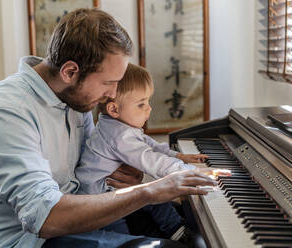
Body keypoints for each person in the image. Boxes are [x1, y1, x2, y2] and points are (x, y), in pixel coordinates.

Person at [0, 8, 226, 248]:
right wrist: (146, 191)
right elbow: (45, 217)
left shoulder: (73, 99)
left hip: (66, 226)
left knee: (188, 227)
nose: (112, 94)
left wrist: (128, 179)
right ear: (70, 72)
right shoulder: (6, 111)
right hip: (19, 240)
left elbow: (91, 167)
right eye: (108, 82)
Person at [76, 63, 209, 241]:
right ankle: (176, 231)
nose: (149, 108)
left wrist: (177, 156)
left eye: (148, 101)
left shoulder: (117, 125)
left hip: (111, 193)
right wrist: (189, 171)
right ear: (114, 109)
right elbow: (149, 159)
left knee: (153, 197)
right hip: (100, 203)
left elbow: (149, 144)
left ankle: (176, 229)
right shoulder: (119, 136)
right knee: (124, 233)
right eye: (141, 104)